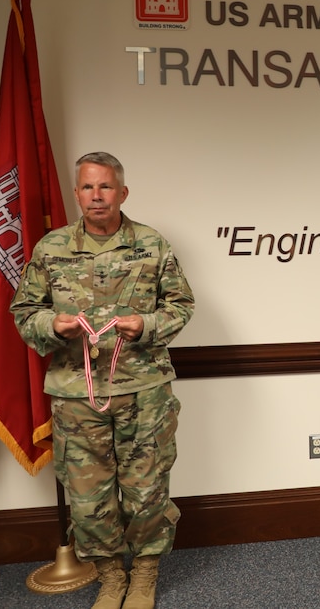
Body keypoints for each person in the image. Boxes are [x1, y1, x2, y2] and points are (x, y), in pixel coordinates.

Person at [10, 152, 195, 609]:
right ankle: (111, 577)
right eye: (88, 187)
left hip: (143, 390)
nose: (97, 196)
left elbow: (182, 306)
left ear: (122, 193)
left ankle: (145, 575)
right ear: (76, 194)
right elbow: (24, 313)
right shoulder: (51, 248)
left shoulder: (152, 245)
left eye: (106, 187)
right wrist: (54, 326)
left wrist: (146, 325)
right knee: (87, 495)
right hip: (76, 393)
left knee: (146, 489)